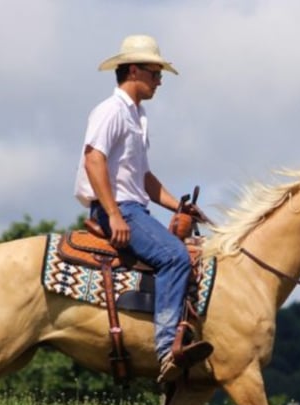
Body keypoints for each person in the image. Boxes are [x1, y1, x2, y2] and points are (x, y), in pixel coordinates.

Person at [74, 34, 213, 384]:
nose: (159, 80)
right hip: (119, 210)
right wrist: (114, 214)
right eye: (154, 73)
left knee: (193, 252)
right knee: (175, 257)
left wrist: (178, 205)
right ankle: (167, 349)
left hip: (134, 207)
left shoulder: (139, 116)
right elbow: (94, 160)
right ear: (133, 70)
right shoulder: (111, 111)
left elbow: (143, 177)